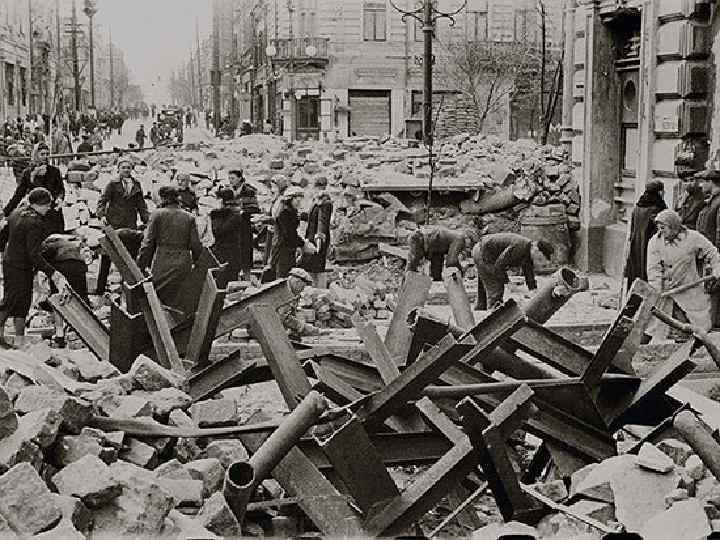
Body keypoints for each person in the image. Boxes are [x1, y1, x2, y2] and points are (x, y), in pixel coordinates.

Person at [0, 188, 68, 347]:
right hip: (20, 267)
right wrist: (52, 273)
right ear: (40, 204)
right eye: (47, 205)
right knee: (11, 302)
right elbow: (34, 255)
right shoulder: (35, 223)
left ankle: (19, 339)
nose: (48, 209)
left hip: (11, 263)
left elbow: (3, 236)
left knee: (23, 302)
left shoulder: (17, 213)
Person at [646, 209, 720, 343]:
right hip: (666, 290)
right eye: (659, 228)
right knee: (657, 326)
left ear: (674, 226)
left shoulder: (692, 238)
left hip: (689, 289)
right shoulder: (655, 242)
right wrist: (656, 290)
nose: (660, 231)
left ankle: (694, 348)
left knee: (699, 326)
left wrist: (717, 270)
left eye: (663, 228)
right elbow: (653, 270)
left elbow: (712, 252)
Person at [137, 186, 203, 308]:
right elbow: (196, 246)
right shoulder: (189, 217)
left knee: (159, 299)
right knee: (179, 300)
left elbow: (147, 243)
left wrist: (140, 266)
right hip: (183, 262)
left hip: (163, 261)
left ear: (163, 198)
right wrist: (199, 266)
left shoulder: (157, 215)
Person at [95, 158, 149, 294]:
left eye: (128, 167)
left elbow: (141, 205)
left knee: (130, 257)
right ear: (118, 169)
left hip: (130, 223)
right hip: (113, 223)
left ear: (132, 169)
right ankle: (100, 289)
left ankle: (129, 289)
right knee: (107, 255)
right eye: (123, 167)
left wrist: (147, 220)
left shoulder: (136, 184)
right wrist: (102, 216)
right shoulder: (112, 184)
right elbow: (102, 200)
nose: (126, 170)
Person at [472, 232, 555, 310]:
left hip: (486, 252)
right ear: (536, 249)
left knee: (485, 290)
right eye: (539, 259)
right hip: (482, 252)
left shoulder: (528, 250)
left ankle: (480, 310)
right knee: (496, 288)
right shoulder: (519, 247)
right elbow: (499, 266)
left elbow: (528, 272)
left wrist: (533, 291)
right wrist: (508, 283)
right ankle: (494, 315)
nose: (538, 262)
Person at [39, 233, 89, 348]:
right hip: (79, 266)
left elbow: (43, 264)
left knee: (58, 300)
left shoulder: (46, 245)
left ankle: (60, 336)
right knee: (81, 298)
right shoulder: (66, 242)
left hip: (61, 267)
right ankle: (83, 332)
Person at [4, 143, 65, 234]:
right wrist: (6, 211)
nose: (45, 157)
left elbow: (60, 189)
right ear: (36, 155)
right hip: (36, 213)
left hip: (52, 210)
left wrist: (60, 199)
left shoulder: (54, 171)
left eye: (47, 154)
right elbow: (19, 194)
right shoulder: (28, 173)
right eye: (42, 154)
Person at [625, 180, 666, 290]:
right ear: (659, 192)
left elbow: (632, 229)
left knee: (635, 272)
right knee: (648, 271)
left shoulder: (637, 207)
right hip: (649, 246)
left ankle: (634, 295)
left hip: (636, 245)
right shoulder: (657, 208)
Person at [269, 187, 316, 280]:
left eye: (300, 199)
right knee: (283, 277)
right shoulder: (284, 212)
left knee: (287, 275)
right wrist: (303, 244)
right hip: (282, 248)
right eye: (296, 199)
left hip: (287, 247)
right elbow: (289, 234)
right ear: (290, 199)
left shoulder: (290, 211)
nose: (298, 202)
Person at [407, 226, 479, 282]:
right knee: (412, 266)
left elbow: (441, 257)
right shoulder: (460, 238)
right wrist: (462, 271)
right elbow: (451, 262)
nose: (470, 248)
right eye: (471, 244)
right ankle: (407, 281)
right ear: (468, 238)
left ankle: (436, 280)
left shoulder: (456, 237)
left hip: (434, 246)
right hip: (421, 239)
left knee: (437, 262)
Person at [210, 188, 247, 286]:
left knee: (227, 283)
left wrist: (216, 214)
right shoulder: (227, 214)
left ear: (222, 201)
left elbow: (219, 231)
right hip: (225, 253)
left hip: (230, 255)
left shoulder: (234, 215)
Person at [300, 178, 333, 288]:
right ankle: (315, 289)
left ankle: (319, 290)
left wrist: (319, 238)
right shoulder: (317, 201)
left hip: (318, 240)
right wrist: (300, 215)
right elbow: (313, 218)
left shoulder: (325, 203)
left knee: (317, 268)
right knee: (312, 267)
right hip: (313, 238)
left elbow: (322, 222)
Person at [278, 268, 325, 338]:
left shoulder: (293, 292)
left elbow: (292, 313)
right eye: (302, 287)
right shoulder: (283, 292)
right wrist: (303, 327)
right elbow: (285, 318)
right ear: (297, 282)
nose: (302, 290)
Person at [229, 169, 259, 276]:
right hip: (233, 228)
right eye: (229, 178)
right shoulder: (229, 191)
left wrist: (242, 211)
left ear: (239, 178)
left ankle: (247, 277)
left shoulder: (249, 191)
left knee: (246, 253)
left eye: (233, 178)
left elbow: (255, 208)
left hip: (244, 227)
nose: (230, 181)